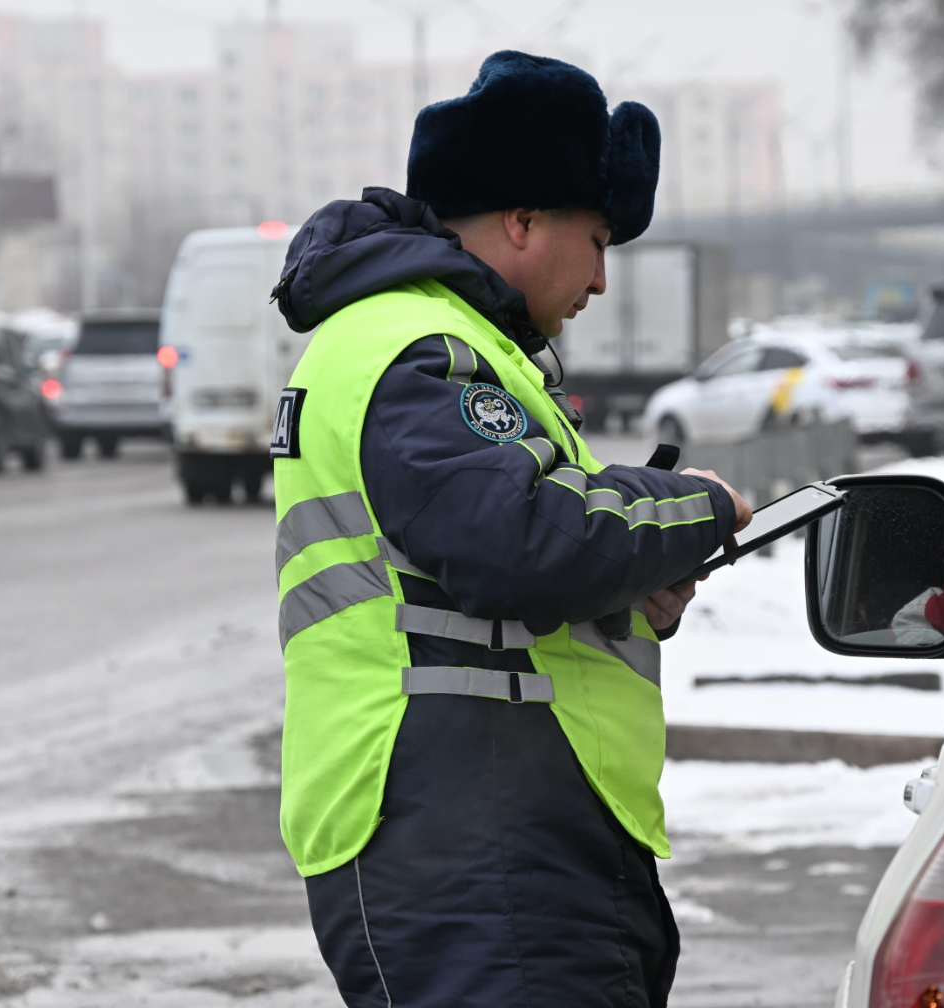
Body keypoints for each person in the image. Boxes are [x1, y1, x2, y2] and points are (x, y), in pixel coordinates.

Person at [268, 50, 752, 1008]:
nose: (603, 280)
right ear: (524, 220)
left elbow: (481, 572)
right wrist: (696, 506)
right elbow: (523, 542)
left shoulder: (467, 349)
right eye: (599, 239)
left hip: (494, 832)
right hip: (468, 844)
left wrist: (630, 593)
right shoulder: (418, 347)